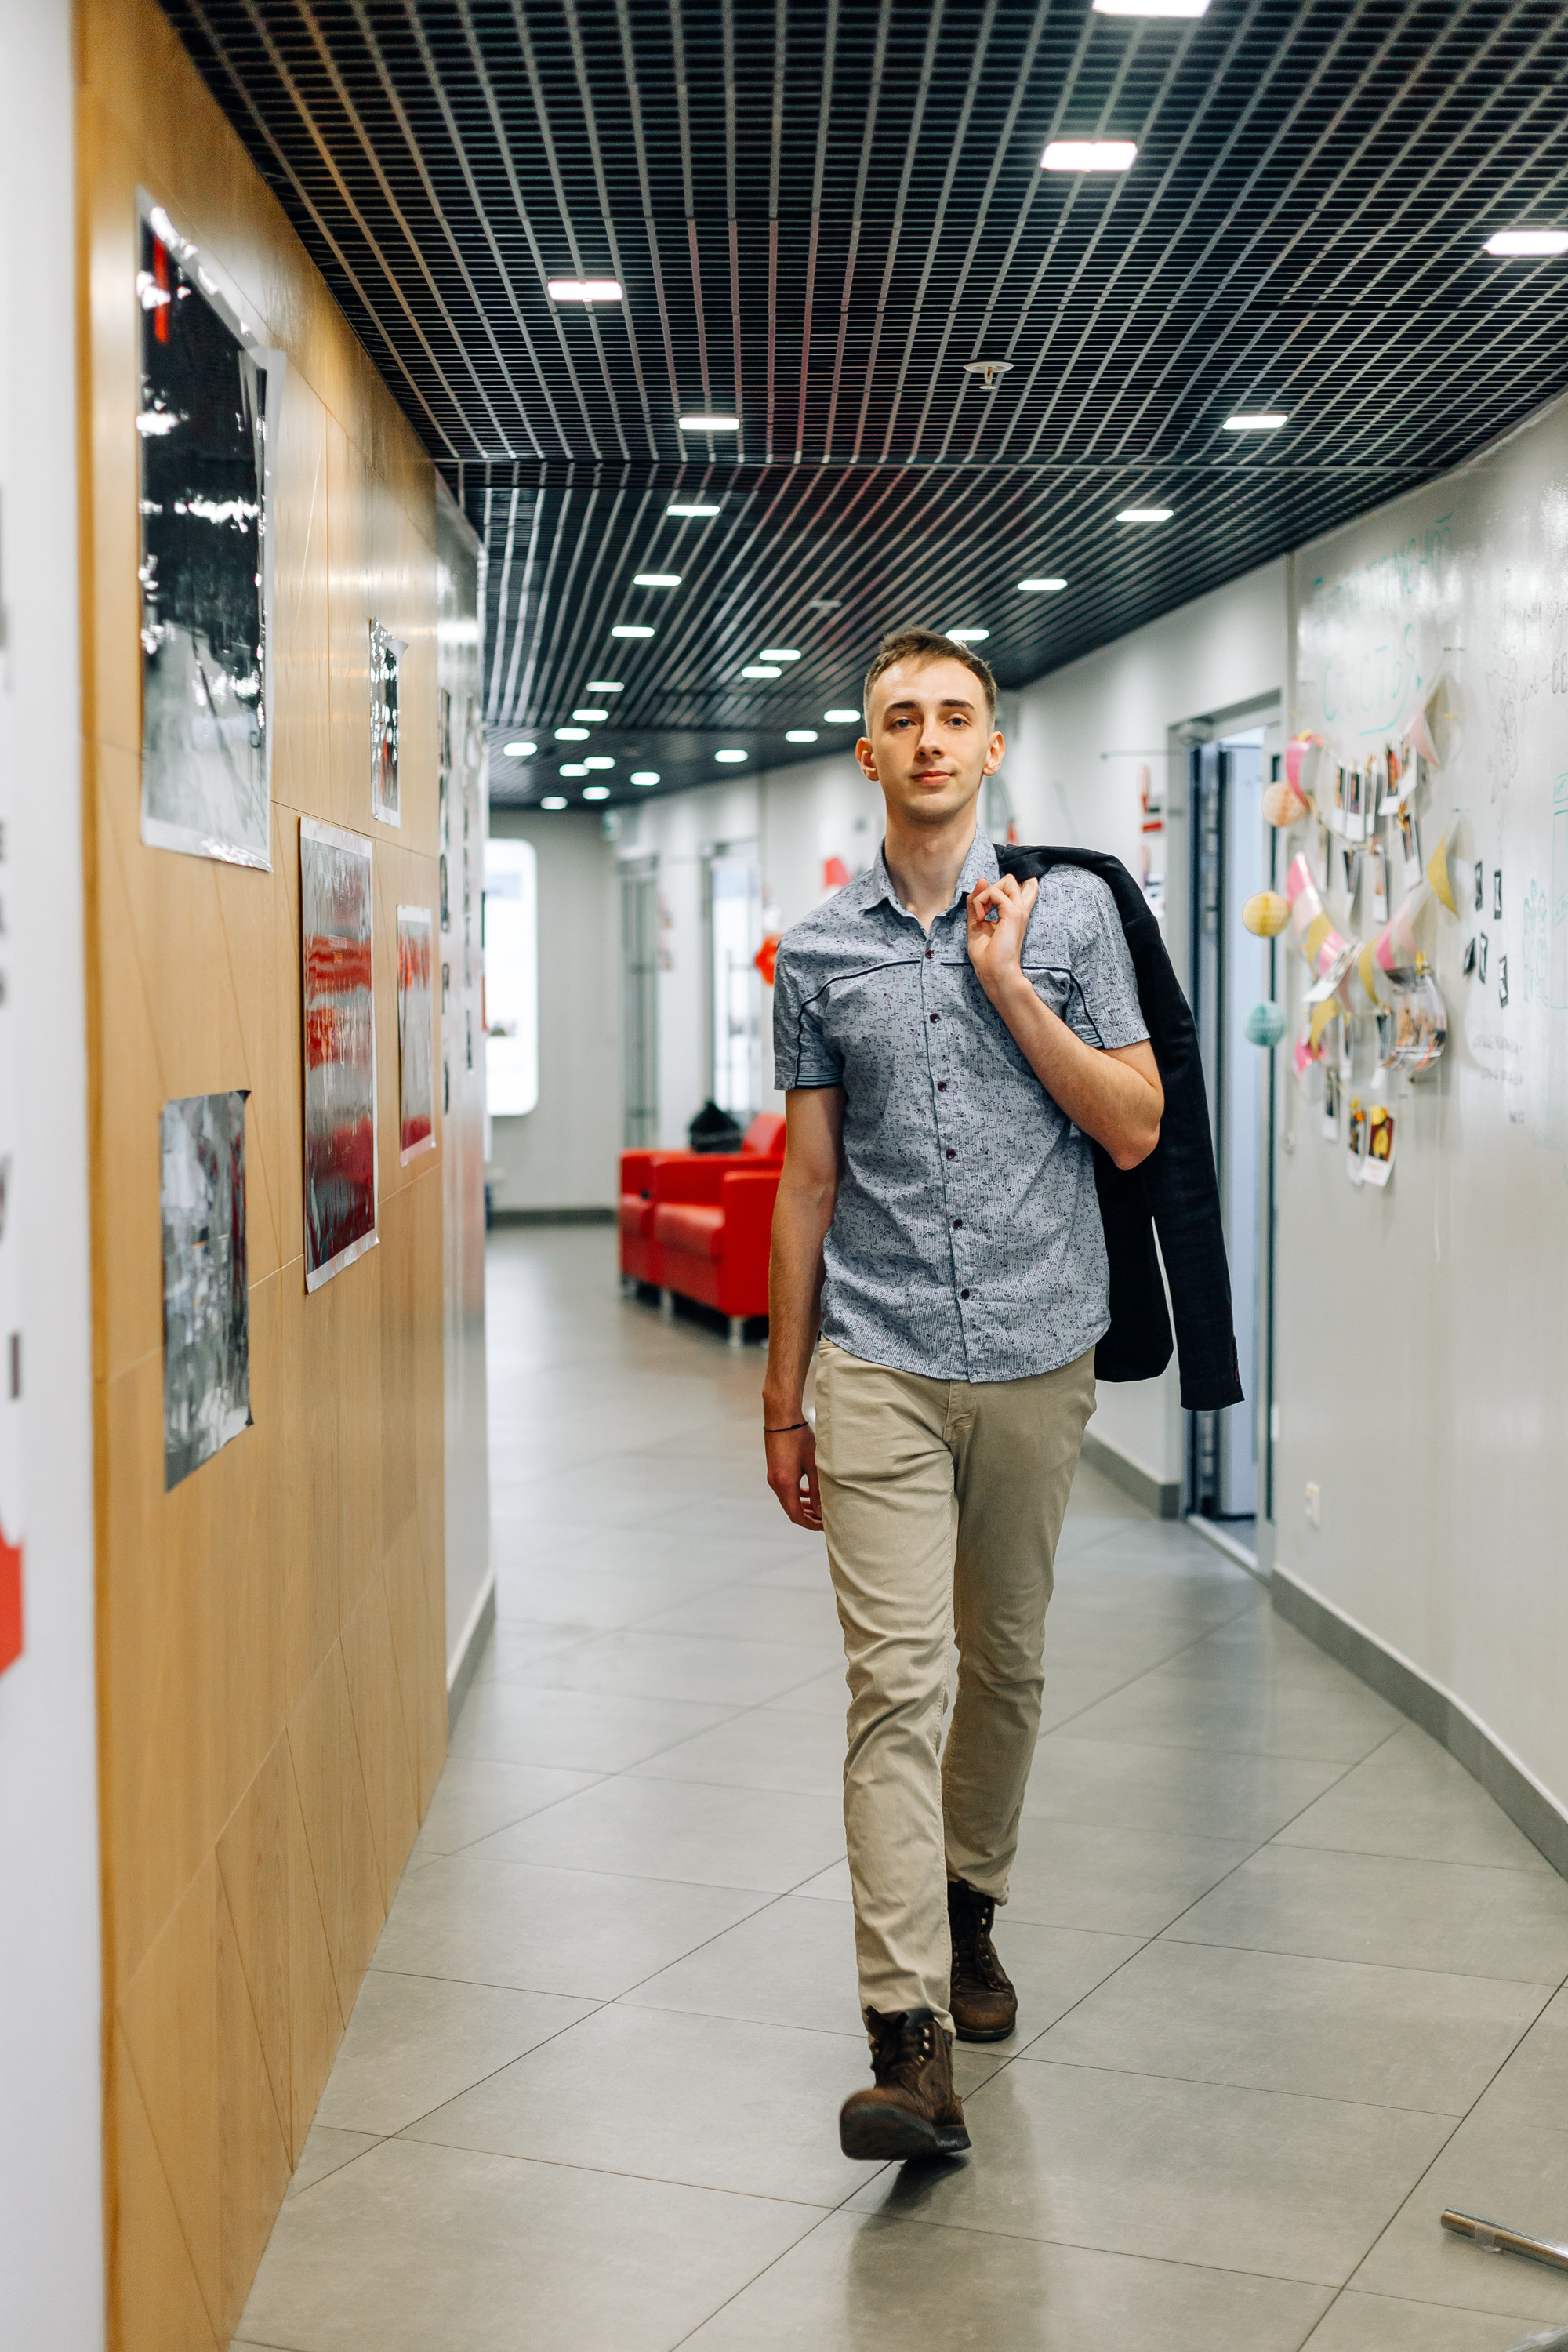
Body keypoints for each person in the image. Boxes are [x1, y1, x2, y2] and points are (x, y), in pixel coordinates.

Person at [764, 627, 1164, 2161]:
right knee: (893, 1685)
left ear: (991, 748)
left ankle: (968, 1904)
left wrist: (1011, 988)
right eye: (897, 720)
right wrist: (783, 1393)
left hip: (1038, 1347)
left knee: (1000, 1662)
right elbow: (805, 1179)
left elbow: (1131, 1127)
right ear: (865, 754)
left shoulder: (1066, 923)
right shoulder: (819, 953)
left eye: (954, 717)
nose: (927, 739)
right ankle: (904, 2040)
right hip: (872, 1357)